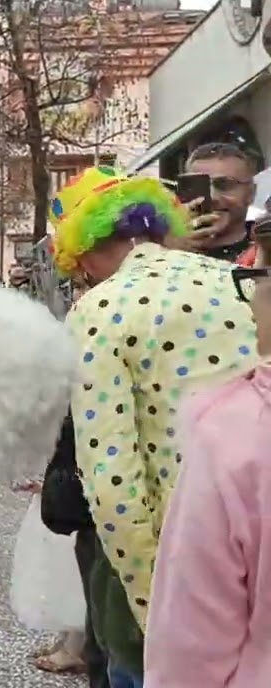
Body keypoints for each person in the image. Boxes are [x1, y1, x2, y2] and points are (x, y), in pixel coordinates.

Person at [53, 166, 259, 688]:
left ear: (86, 253)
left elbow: (111, 482)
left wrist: (154, 609)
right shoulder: (237, 281)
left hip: (180, 561)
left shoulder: (99, 309)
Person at [142, 237, 271, 686]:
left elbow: (193, 646)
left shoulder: (237, 433)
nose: (249, 303)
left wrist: (138, 586)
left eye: (255, 277)